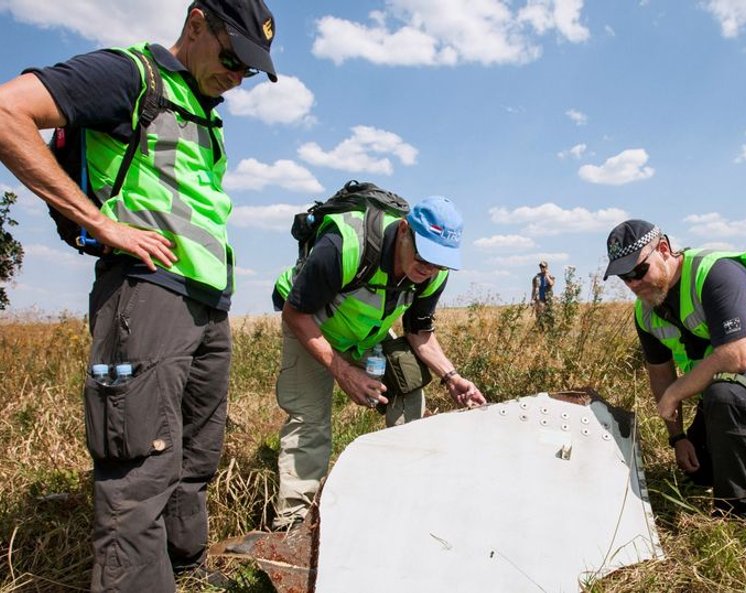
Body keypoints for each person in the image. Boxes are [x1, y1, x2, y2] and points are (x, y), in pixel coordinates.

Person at [0, 1, 277, 590]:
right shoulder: (130, 76)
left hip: (206, 305)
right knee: (140, 468)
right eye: (233, 57)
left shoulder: (202, 110)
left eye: (249, 70)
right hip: (147, 294)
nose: (238, 76)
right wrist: (100, 222)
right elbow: (5, 111)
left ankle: (186, 572)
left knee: (194, 457)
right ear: (196, 23)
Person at [270, 195, 487, 529]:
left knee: (409, 385)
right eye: (424, 255)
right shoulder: (345, 245)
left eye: (440, 262)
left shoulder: (433, 274)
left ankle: (401, 492)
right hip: (311, 324)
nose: (428, 268)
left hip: (363, 335)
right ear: (403, 230)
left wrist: (451, 377)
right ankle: (291, 523)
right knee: (310, 420)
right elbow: (295, 313)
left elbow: (418, 332)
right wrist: (343, 372)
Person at [603, 219, 746, 520]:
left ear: (663, 249)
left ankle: (737, 513)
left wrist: (676, 393)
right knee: (702, 470)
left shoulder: (714, 273)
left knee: (724, 395)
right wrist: (678, 438)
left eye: (638, 271)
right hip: (720, 380)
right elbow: (661, 374)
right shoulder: (646, 312)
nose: (633, 284)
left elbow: (737, 356)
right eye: (624, 278)